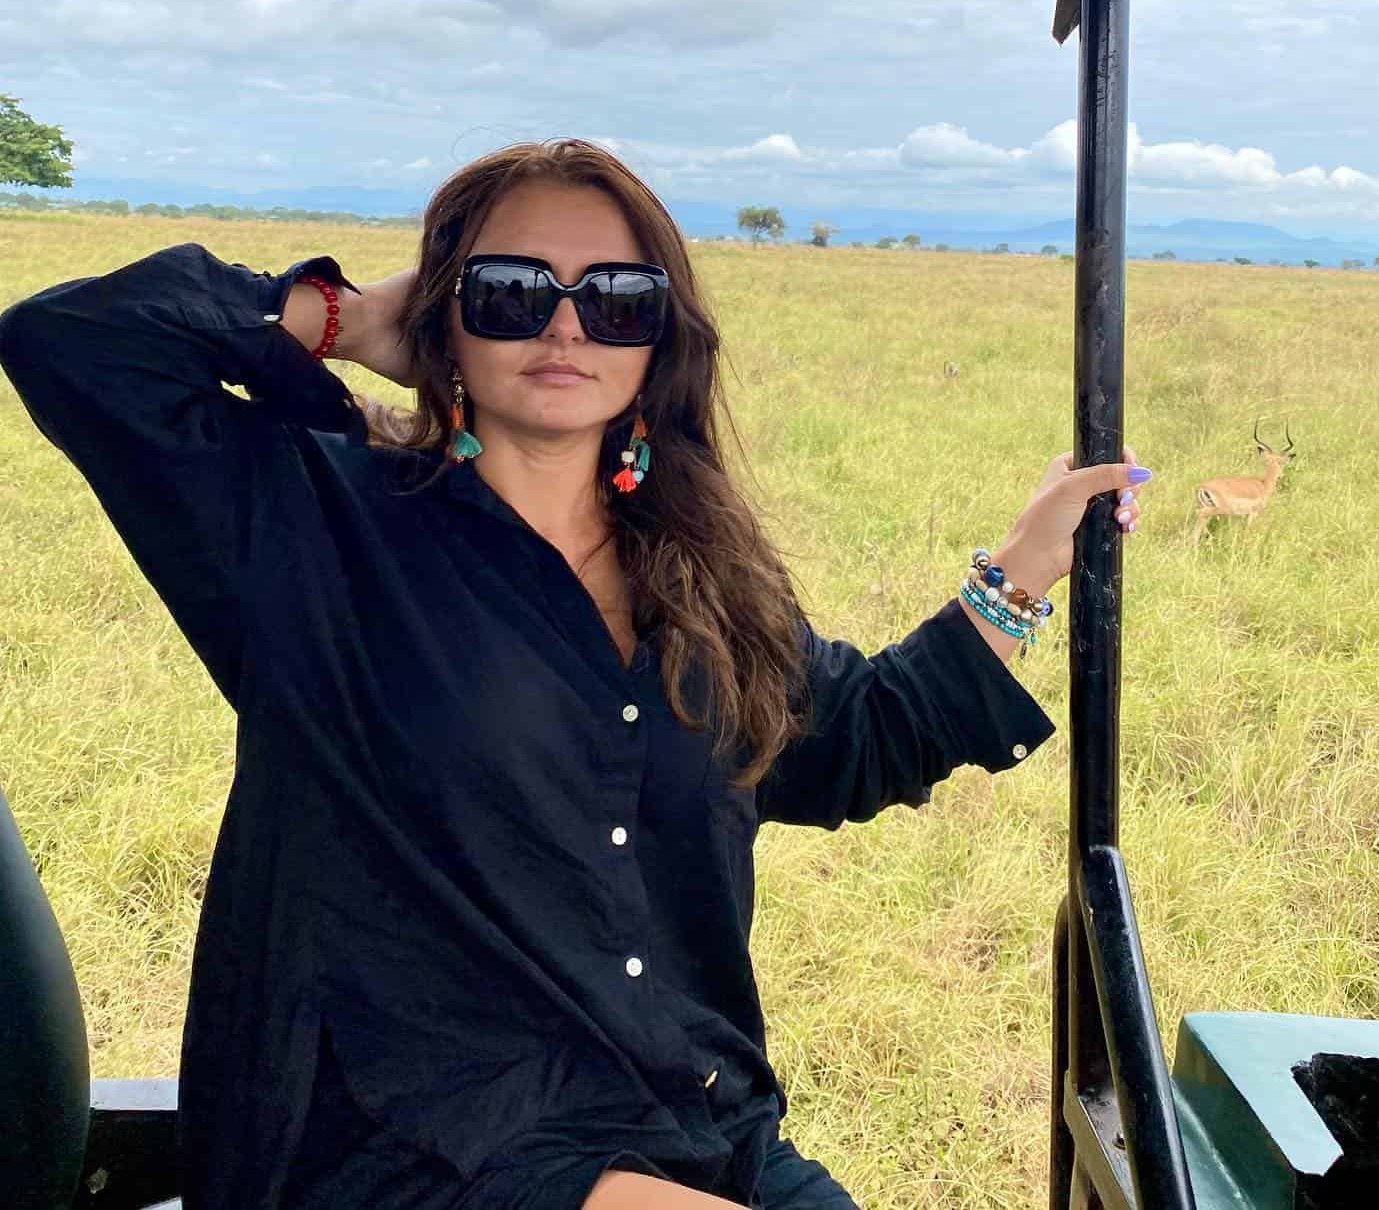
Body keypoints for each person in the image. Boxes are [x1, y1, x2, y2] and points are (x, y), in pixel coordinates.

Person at [0, 139, 1149, 1210]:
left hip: (690, 1114)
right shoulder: (314, 528)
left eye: (617, 298)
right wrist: (346, 318)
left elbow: (851, 741)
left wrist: (1024, 564)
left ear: (660, 340)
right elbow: (74, 343)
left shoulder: (699, 572)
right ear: (446, 313)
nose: (565, 325)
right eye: (510, 290)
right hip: (417, 1134)